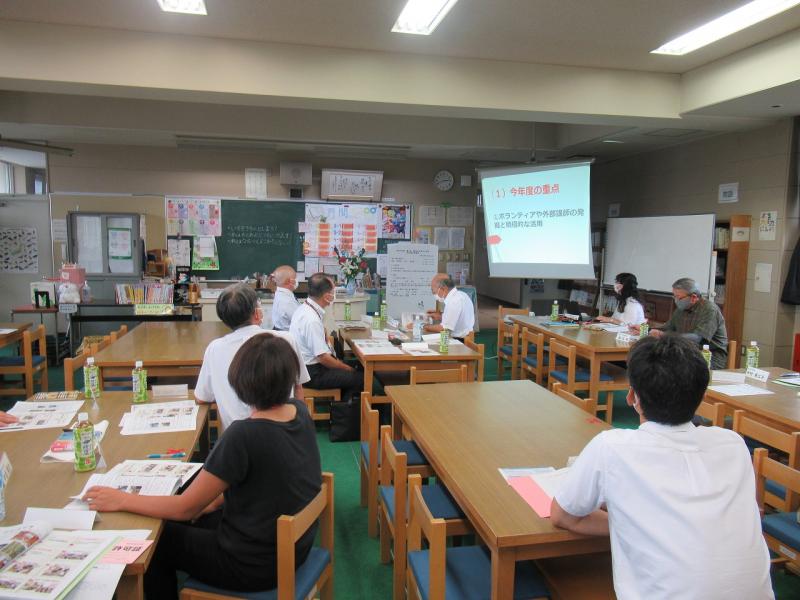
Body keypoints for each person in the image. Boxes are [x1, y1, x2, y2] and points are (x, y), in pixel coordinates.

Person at [84, 334, 322, 600]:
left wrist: (122, 499)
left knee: (155, 543)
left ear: (240, 382)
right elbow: (268, 476)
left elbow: (185, 508)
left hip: (253, 566)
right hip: (291, 547)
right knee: (196, 511)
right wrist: (213, 501)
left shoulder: (243, 435)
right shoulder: (299, 411)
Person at [550, 335, 773, 600]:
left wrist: (629, 520)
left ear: (632, 396)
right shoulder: (734, 444)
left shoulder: (612, 447)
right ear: (701, 396)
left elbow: (562, 517)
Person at [195, 283, 309, 431]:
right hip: (283, 432)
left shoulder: (214, 348)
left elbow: (202, 397)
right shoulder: (285, 340)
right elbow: (299, 387)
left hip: (235, 436)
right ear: (257, 313)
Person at [290, 273, 363, 402]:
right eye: (333, 291)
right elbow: (323, 358)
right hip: (312, 373)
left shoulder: (305, 308)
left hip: (303, 366)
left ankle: (342, 400)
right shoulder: (311, 319)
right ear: (326, 296)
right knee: (359, 378)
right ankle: (343, 415)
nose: (334, 294)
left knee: (353, 367)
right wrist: (346, 368)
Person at [632, 277, 728, 369]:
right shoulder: (682, 309)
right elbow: (667, 328)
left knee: (665, 366)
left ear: (693, 297)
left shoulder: (709, 309)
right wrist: (646, 330)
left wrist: (663, 335)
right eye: (674, 296)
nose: (675, 300)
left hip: (709, 357)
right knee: (651, 360)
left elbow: (697, 338)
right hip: (686, 353)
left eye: (678, 297)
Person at [423, 274, 475, 341]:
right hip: (465, 338)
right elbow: (458, 318)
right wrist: (440, 316)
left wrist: (422, 326)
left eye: (434, 292)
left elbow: (444, 329)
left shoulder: (453, 301)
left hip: (459, 341)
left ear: (443, 289)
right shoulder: (462, 295)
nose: (435, 295)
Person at [271, 265, 300, 331]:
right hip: (288, 335)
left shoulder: (281, 293)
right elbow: (301, 321)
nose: (297, 280)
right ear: (287, 281)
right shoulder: (287, 301)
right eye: (295, 278)